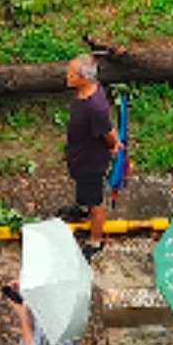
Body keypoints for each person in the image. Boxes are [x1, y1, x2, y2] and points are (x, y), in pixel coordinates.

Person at [63, 55, 121, 260]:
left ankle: (95, 241)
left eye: (71, 73)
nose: (67, 76)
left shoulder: (94, 107)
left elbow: (108, 131)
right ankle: (80, 207)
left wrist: (114, 145)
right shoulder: (86, 92)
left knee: (96, 202)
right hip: (80, 156)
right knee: (83, 187)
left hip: (91, 162)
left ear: (83, 78)